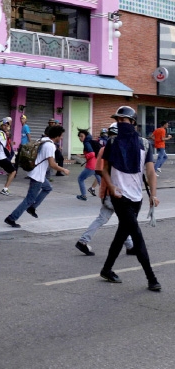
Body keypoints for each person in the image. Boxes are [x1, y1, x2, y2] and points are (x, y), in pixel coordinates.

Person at [99, 106, 161, 291]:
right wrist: (111, 186)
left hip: (137, 197)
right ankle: (152, 278)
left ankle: (106, 269)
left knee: (122, 234)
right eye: (117, 120)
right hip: (119, 196)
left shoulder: (144, 144)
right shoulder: (112, 142)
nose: (120, 123)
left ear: (133, 122)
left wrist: (153, 195)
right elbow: (104, 168)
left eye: (123, 120)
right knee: (137, 236)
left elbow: (150, 171)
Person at [74, 123, 134, 256]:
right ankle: (130, 246)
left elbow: (99, 170)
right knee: (125, 220)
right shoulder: (118, 150)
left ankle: (84, 241)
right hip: (116, 192)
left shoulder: (104, 149)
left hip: (108, 192)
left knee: (104, 218)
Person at [4, 125, 69, 228]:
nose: (61, 138)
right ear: (56, 135)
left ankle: (32, 207)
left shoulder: (43, 140)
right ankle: (11, 218)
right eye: (61, 136)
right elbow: (52, 164)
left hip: (37, 173)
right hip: (37, 175)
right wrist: (63, 169)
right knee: (29, 199)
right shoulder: (50, 146)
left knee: (48, 188)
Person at [76, 128, 100, 201]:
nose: (80, 138)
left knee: (80, 179)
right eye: (79, 136)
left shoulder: (86, 143)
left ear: (85, 136)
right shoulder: (90, 141)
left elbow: (92, 154)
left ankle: (83, 195)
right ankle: (107, 196)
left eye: (81, 136)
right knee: (100, 181)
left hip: (91, 165)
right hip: (96, 164)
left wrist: (82, 156)